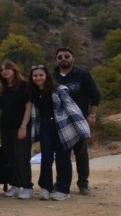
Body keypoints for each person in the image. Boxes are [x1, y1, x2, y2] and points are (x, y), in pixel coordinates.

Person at [29, 65, 90, 201]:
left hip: (62, 126)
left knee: (63, 158)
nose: (38, 78)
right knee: (46, 158)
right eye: (35, 76)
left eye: (41, 75)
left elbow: (71, 108)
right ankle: (46, 188)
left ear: (47, 76)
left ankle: (63, 189)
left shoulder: (59, 90)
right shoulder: (33, 93)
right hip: (45, 127)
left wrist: (82, 128)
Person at [52, 47, 101, 195]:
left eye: (67, 56)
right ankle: (61, 183)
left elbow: (95, 95)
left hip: (79, 120)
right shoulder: (52, 77)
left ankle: (83, 183)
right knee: (62, 156)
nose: (63, 59)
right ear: (56, 60)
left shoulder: (83, 75)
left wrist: (92, 115)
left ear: (73, 58)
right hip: (60, 123)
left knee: (81, 154)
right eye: (60, 57)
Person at [0, 60, 33, 199]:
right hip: (6, 127)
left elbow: (29, 107)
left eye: (7, 68)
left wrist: (23, 126)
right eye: (2, 70)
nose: (4, 71)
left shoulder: (25, 86)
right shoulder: (4, 88)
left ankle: (27, 186)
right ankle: (15, 185)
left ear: (14, 70)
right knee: (10, 156)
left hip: (20, 127)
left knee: (21, 157)